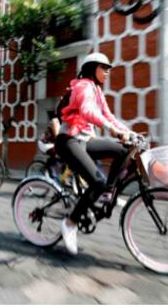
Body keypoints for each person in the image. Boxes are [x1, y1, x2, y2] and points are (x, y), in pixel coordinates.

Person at [53, 52, 137, 256]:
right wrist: (114, 131)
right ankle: (70, 223)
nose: (108, 72)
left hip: (86, 141)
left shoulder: (97, 91)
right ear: (92, 68)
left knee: (123, 150)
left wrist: (129, 132)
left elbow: (108, 115)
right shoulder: (83, 86)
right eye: (104, 68)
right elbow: (89, 111)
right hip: (69, 140)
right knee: (96, 183)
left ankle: (108, 193)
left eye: (109, 68)